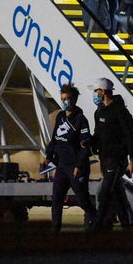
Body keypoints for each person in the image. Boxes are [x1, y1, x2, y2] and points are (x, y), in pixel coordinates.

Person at [43, 83, 97, 232]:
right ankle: (55, 230)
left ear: (73, 100)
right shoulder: (60, 117)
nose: (64, 102)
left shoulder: (81, 120)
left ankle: (98, 223)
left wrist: (79, 165)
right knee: (56, 199)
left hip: (75, 167)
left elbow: (85, 146)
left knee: (82, 200)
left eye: (67, 99)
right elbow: (55, 139)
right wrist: (49, 156)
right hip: (62, 166)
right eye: (62, 98)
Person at [89, 77, 133, 230]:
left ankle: (97, 228)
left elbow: (130, 134)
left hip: (116, 159)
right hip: (104, 159)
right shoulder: (99, 112)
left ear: (102, 91)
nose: (94, 94)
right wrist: (88, 143)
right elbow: (97, 134)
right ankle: (128, 227)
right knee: (118, 196)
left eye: (95, 91)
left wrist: (132, 159)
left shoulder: (120, 111)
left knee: (104, 195)